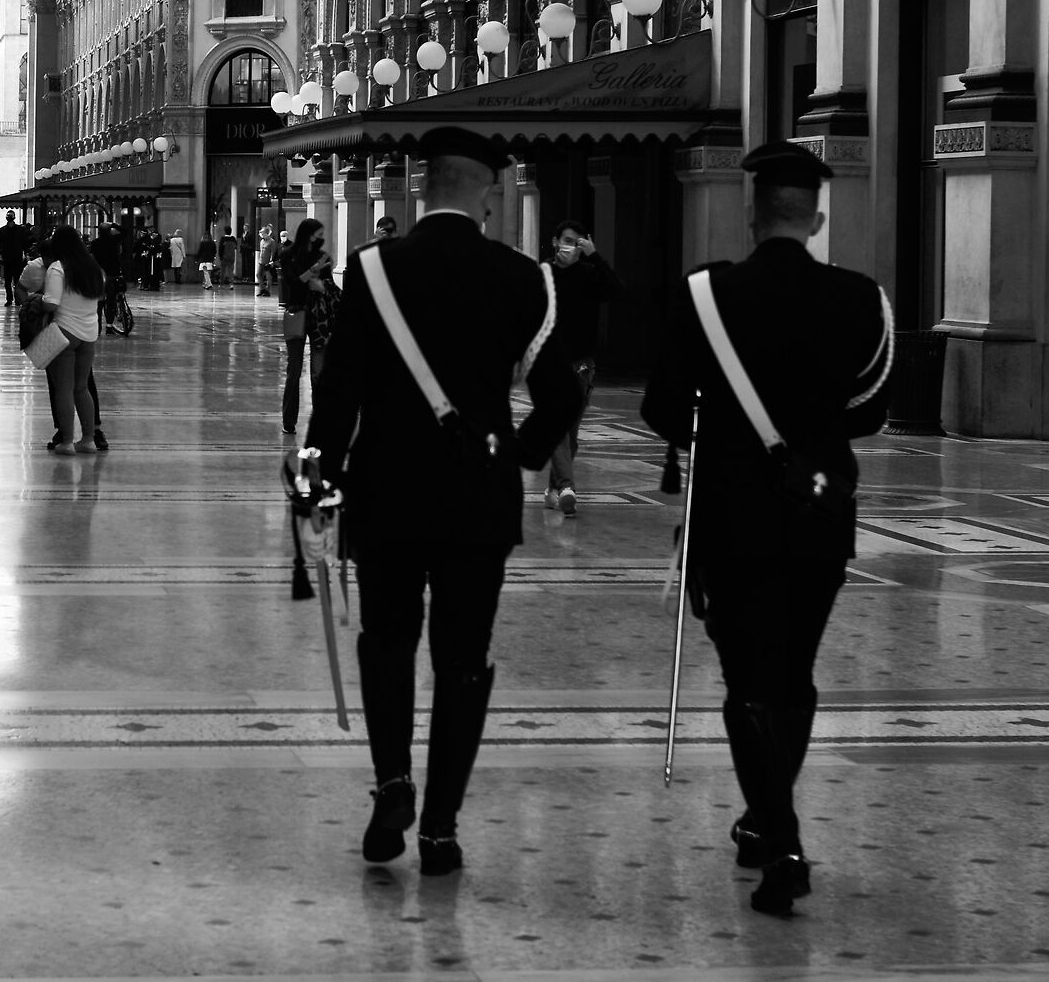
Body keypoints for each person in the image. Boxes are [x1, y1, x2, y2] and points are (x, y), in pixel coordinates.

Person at [303, 127, 582, 875]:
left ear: (425, 187)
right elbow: (562, 394)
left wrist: (317, 480)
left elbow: (339, 392)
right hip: (477, 500)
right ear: (486, 193)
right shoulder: (522, 278)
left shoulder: (373, 270)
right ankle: (440, 829)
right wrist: (517, 456)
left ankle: (393, 783)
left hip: (386, 491)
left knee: (387, 641)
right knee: (464, 659)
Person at [640, 139, 894, 917]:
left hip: (731, 516)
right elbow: (870, 412)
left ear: (750, 212)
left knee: (746, 679)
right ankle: (764, 820)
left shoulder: (705, 294)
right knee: (794, 675)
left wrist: (717, 427)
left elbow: (661, 408)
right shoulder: (863, 299)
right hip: (820, 513)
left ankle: (780, 841)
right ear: (816, 218)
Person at [541, 221, 623, 519]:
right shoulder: (544, 274)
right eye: (566, 240)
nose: (570, 247)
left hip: (582, 365)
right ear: (555, 241)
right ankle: (566, 487)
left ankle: (553, 490)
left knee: (570, 435)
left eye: (576, 243)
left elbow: (617, 290)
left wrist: (595, 256)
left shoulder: (589, 274)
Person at [37, 225, 107, 452]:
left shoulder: (58, 268)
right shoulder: (94, 268)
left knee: (63, 389)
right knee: (81, 387)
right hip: (89, 333)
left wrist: (36, 302)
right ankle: (88, 439)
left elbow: (51, 303)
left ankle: (67, 441)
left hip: (64, 331)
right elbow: (99, 297)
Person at [278, 218, 335, 436]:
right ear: (308, 235)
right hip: (296, 312)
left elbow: (327, 285)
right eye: (318, 234)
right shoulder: (288, 255)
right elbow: (292, 282)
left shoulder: (323, 256)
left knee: (318, 372)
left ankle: (320, 420)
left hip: (319, 317)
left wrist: (318, 281)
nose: (321, 238)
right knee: (293, 370)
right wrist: (313, 272)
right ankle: (289, 421)